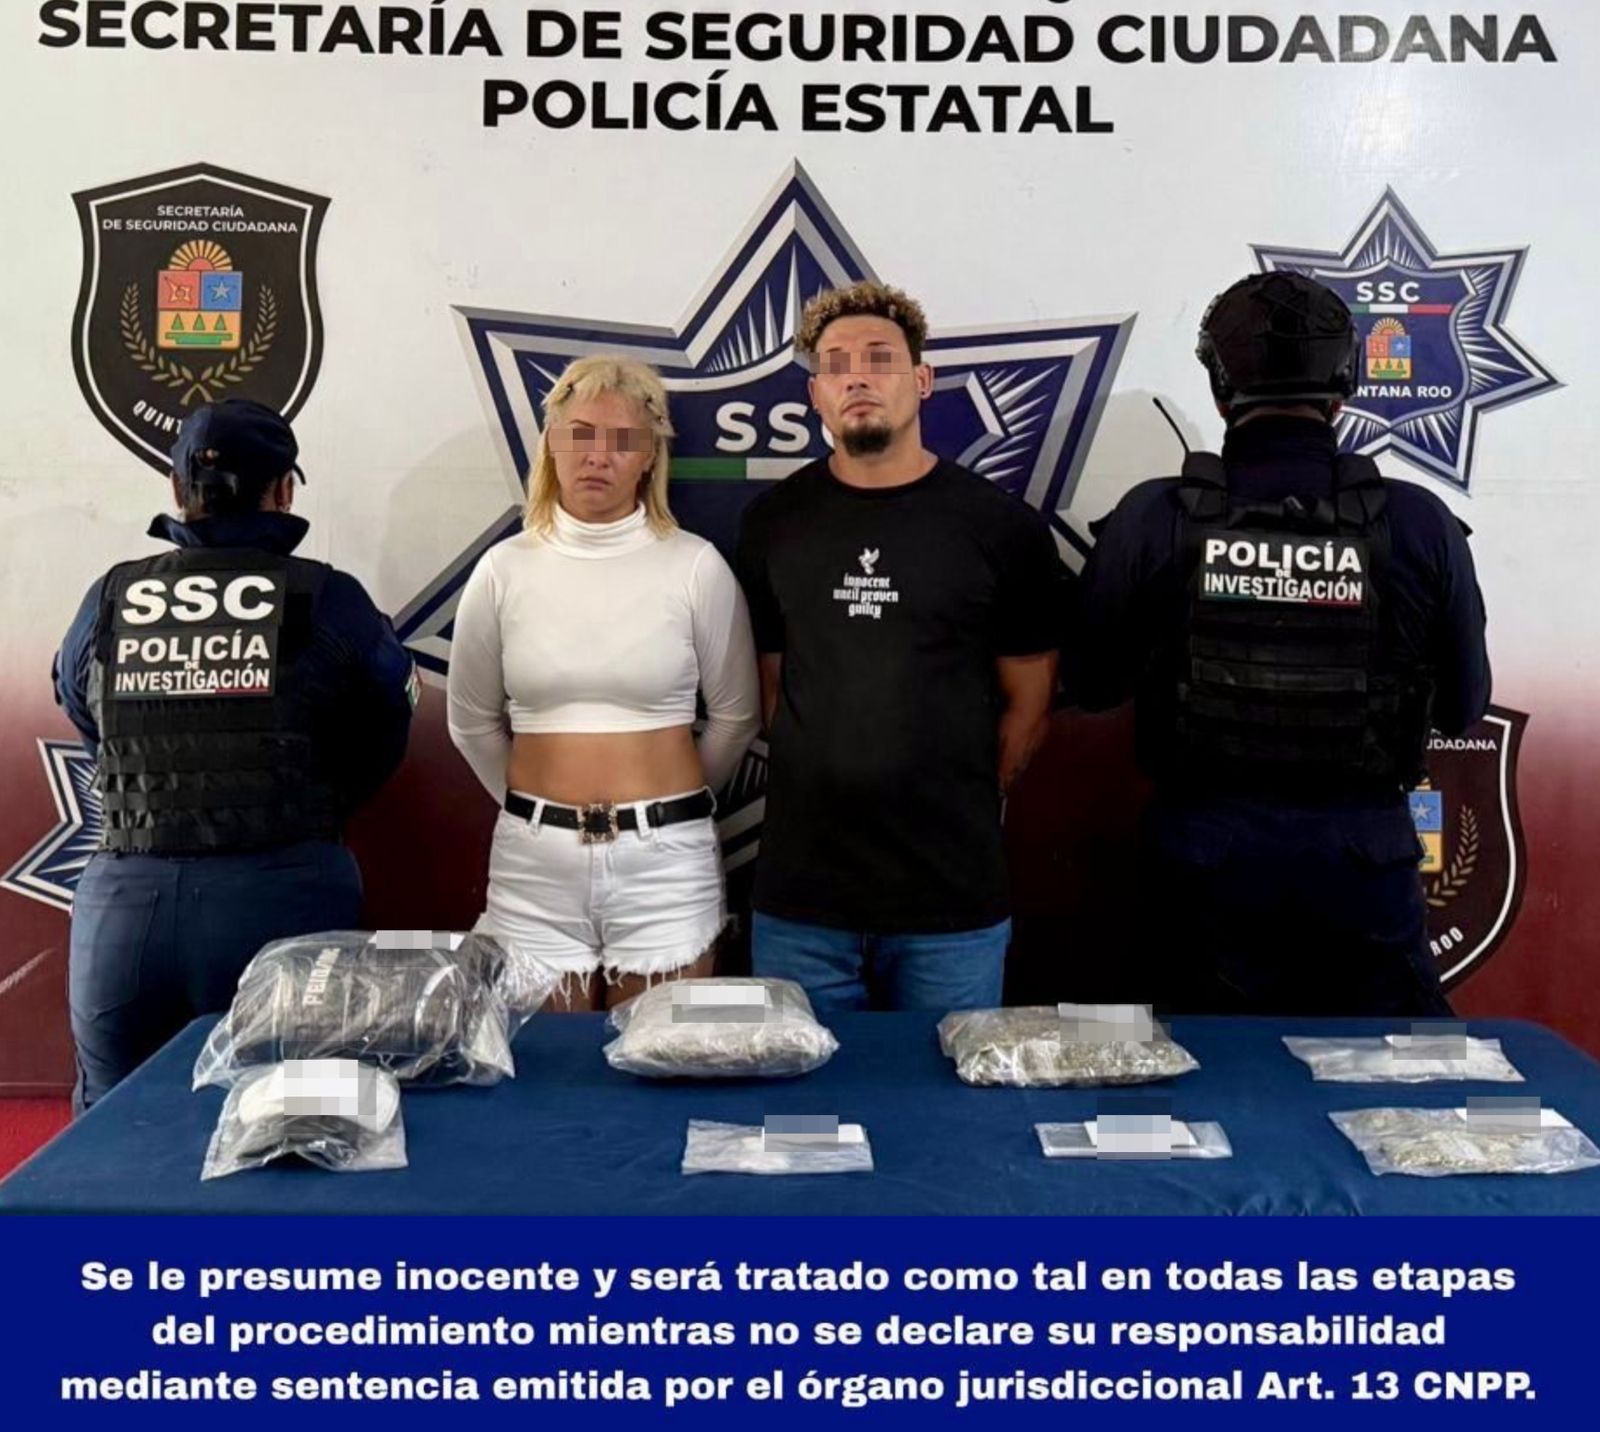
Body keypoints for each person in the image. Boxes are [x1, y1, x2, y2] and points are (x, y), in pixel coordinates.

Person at [1071, 271, 1491, 1016]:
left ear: (1219, 388)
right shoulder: (1419, 523)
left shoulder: (1152, 517)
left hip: (1200, 863)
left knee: (1178, 1079)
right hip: (1365, 867)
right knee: (1395, 1078)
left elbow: (1092, 682)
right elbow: (1464, 707)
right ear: (1346, 387)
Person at [54, 398, 416, 1111]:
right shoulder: (329, 596)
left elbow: (84, 715)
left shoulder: (111, 596)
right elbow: (386, 726)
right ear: (283, 491)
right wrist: (312, 807)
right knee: (292, 1127)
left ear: (176, 488)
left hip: (126, 905)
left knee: (110, 1141)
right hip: (283, 889)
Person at [733, 281, 1064, 1013]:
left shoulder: (1001, 528)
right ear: (816, 396)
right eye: (836, 364)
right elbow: (770, 692)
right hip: (801, 904)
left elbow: (1030, 703)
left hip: (952, 903)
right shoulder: (772, 523)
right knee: (802, 1087)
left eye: (879, 358)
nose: (857, 377)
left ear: (921, 380)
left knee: (952, 1087)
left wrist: (947, 793)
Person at [447, 355, 759, 1011]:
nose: (598, 456)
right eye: (581, 434)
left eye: (622, 440)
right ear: (551, 444)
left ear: (648, 456)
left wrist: (670, 804)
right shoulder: (503, 570)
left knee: (660, 1060)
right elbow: (471, 722)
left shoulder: (696, 567)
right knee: (547, 1066)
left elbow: (736, 716)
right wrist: (537, 812)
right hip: (534, 870)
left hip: (667, 870)